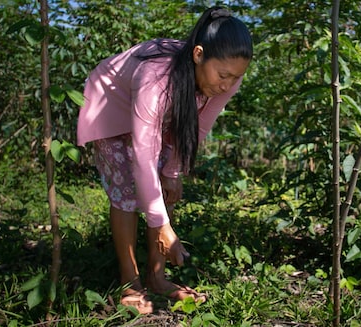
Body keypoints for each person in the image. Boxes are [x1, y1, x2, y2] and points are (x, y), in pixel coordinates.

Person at [76, 6, 253, 314]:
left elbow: (198, 127)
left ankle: (157, 278)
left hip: (159, 113)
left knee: (165, 189)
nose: (227, 85)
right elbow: (143, 158)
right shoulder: (156, 80)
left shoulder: (227, 79)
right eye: (223, 75)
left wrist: (173, 171)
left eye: (235, 77)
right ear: (198, 54)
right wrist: (160, 223)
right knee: (127, 195)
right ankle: (129, 281)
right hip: (109, 104)